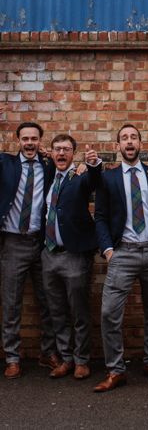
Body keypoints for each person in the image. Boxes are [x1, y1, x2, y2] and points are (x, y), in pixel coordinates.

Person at [93, 123, 148, 393]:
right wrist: (108, 250)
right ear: (118, 146)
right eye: (124, 138)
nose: (129, 142)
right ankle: (116, 370)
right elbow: (101, 217)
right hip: (123, 252)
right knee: (109, 313)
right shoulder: (108, 178)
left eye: (133, 138)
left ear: (140, 144)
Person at [0, 121, 59, 378]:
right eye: (25, 139)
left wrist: (51, 156)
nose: (30, 143)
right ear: (18, 141)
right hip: (13, 242)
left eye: (34, 138)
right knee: (11, 304)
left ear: (40, 140)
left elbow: (67, 165)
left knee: (48, 300)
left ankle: (47, 353)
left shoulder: (48, 166)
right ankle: (12, 357)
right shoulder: (6, 164)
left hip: (41, 243)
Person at [41, 135, 101, 381]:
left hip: (74, 255)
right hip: (48, 254)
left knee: (78, 311)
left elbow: (96, 181)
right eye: (57, 150)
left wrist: (94, 164)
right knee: (56, 311)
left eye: (66, 149)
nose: (61, 153)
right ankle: (66, 358)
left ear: (74, 153)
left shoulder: (81, 176)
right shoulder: (47, 176)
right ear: (52, 153)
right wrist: (45, 156)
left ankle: (82, 360)